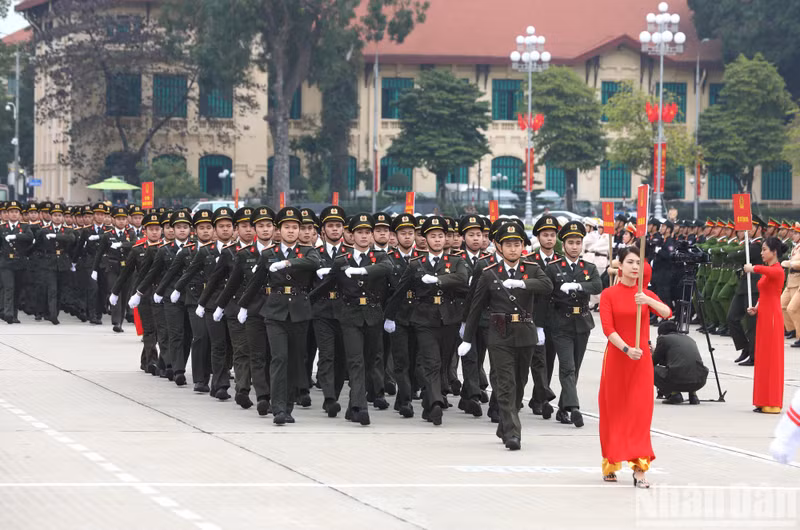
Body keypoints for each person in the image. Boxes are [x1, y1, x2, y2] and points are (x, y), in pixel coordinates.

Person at [461, 223, 552, 450]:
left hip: (525, 333)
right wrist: (467, 337)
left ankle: (505, 422)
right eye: (508, 245)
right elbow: (476, 306)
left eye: (517, 244)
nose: (513, 249)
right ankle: (512, 432)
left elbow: (547, 285)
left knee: (520, 383)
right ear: (499, 246)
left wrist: (522, 282)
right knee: (505, 383)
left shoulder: (531, 268)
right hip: (499, 334)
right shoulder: (489, 271)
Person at [599, 246, 671, 487]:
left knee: (640, 413)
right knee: (614, 411)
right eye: (630, 262)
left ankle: (640, 468)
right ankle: (611, 462)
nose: (635, 267)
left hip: (641, 362)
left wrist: (648, 299)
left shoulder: (644, 294)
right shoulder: (609, 294)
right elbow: (608, 330)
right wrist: (627, 349)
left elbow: (667, 313)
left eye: (638, 263)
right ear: (620, 266)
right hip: (618, 358)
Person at [545, 221, 603, 427]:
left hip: (582, 323)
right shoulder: (552, 268)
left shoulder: (588, 267)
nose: (575, 246)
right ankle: (574, 408)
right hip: (560, 323)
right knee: (567, 367)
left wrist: (578, 285)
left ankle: (562, 408)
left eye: (578, 242)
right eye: (570, 242)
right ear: (564, 244)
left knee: (575, 367)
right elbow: (546, 294)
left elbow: (598, 285)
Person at [744, 236, 788, 414]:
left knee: (771, 359)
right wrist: (756, 307)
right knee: (762, 357)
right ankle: (762, 400)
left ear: (774, 252)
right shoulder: (769, 270)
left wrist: (752, 268)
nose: (762, 253)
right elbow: (765, 294)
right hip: (763, 314)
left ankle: (773, 401)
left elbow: (770, 275)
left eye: (764, 249)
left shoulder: (777, 269)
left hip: (772, 318)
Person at [652, 320, 708, 405]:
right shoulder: (689, 339)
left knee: (650, 369)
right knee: (687, 367)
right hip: (699, 381)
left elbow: (653, 362)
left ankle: (674, 394)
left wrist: (654, 351)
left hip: (678, 380)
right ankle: (693, 395)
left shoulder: (663, 339)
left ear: (661, 333)